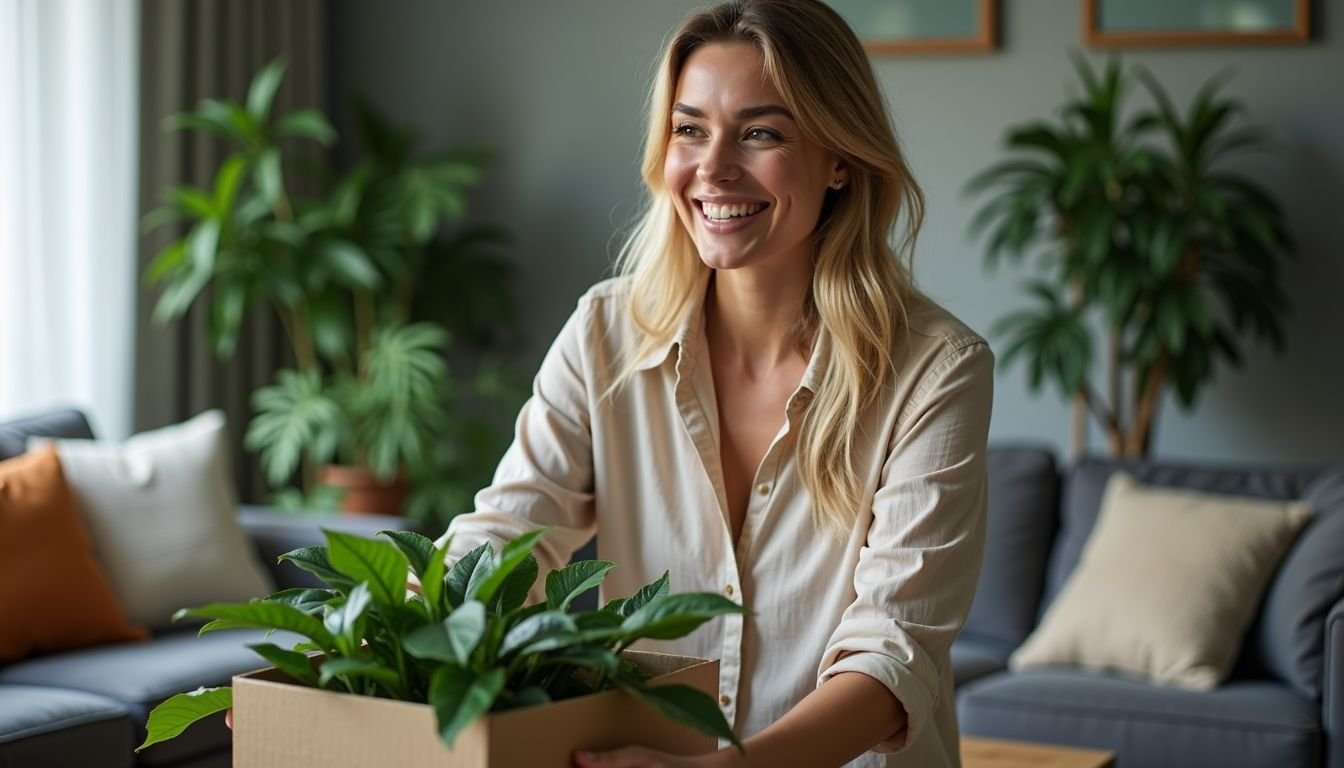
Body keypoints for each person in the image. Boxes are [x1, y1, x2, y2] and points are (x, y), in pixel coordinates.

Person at [440, 1, 994, 766]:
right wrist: (354, 659)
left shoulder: (936, 370)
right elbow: (505, 537)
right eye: (689, 129)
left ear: (839, 158)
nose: (714, 167)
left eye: (761, 133)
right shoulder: (605, 335)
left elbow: (893, 653)